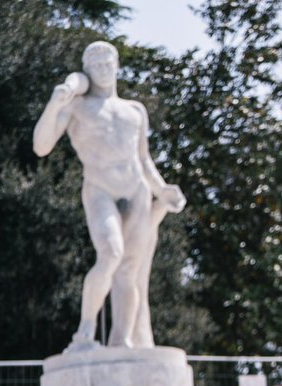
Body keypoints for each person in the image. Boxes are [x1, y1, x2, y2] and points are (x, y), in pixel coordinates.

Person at [33, 41, 186, 351]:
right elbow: (41, 146)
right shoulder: (76, 106)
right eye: (96, 65)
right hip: (100, 189)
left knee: (129, 270)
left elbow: (143, 160)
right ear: (86, 70)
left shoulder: (135, 111)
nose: (103, 70)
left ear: (117, 66)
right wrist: (54, 104)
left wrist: (162, 190)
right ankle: (85, 332)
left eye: (108, 63)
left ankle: (122, 340)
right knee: (111, 253)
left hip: (137, 191)